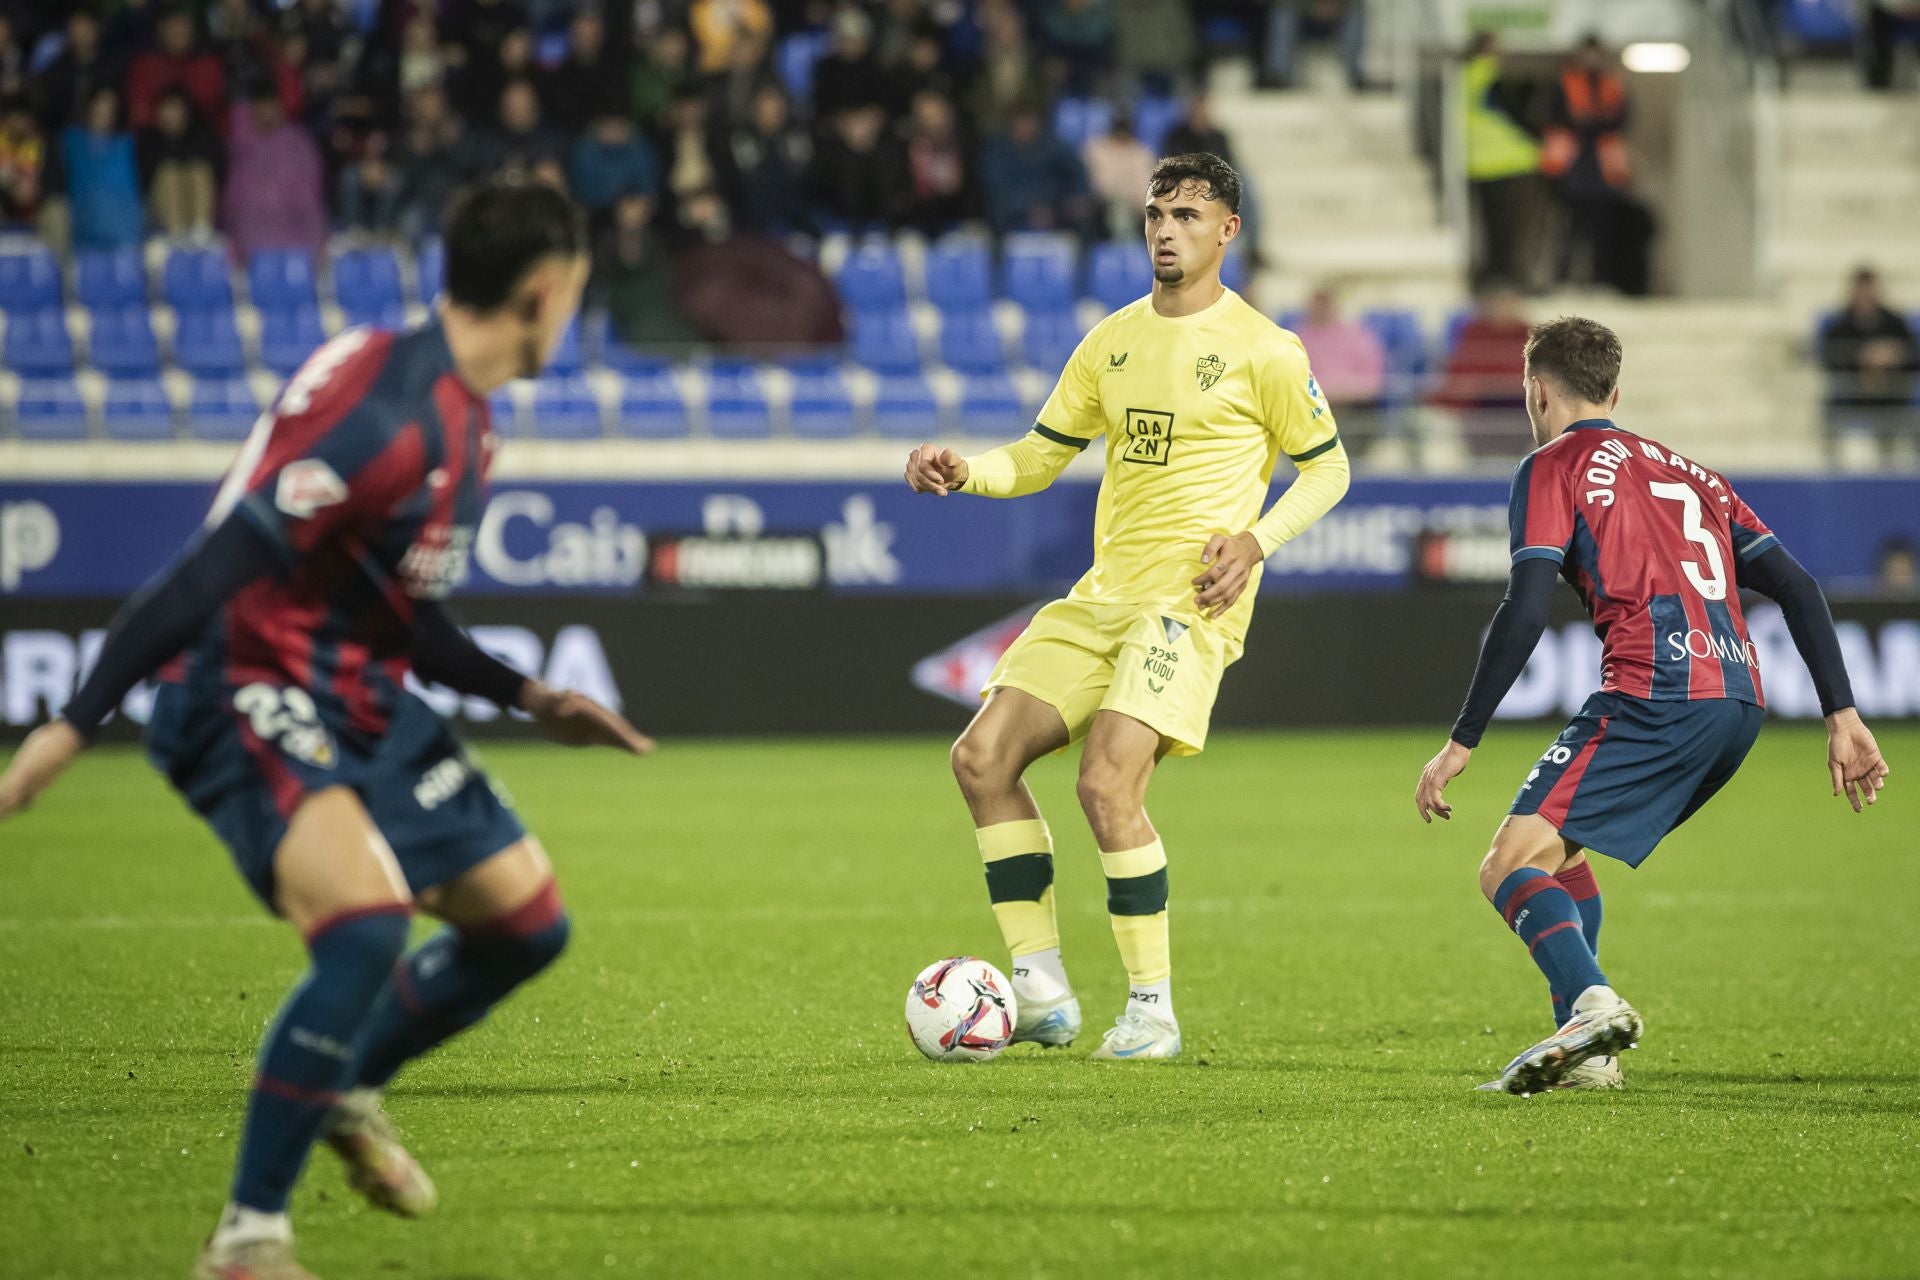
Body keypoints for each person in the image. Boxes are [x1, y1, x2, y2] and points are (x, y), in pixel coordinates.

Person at [0, 177, 651, 1280]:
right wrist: (74, 721)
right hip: (242, 679)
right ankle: (249, 1235)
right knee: (363, 929)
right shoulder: (383, 415)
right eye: (578, 292)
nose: (575, 311)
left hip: (359, 690)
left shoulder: (463, 416)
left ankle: (348, 1085)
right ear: (545, 292)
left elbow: (403, 612)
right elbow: (217, 562)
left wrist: (528, 694)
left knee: (525, 923)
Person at [903, 153, 1350, 1061]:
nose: (1164, 230)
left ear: (1228, 230)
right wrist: (966, 469)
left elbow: (1330, 467)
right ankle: (1041, 990)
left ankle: (1152, 1010)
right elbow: (1038, 454)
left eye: (1187, 214)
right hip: (1100, 599)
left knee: (1106, 782)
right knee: (981, 758)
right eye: (1154, 213)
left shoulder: (1266, 349)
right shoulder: (1110, 340)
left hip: (1185, 608)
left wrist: (1256, 540)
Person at [1414, 316, 1890, 1096]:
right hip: (1738, 702)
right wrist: (1842, 714)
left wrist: (1462, 738)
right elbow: (1800, 589)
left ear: (1536, 390)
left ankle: (1592, 1006)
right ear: (1614, 391)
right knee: (1561, 854)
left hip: (1653, 689)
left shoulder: (1551, 465)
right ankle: (1590, 1058)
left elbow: (1525, 609)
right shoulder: (1695, 475)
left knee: (1504, 865)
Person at [1462, 32, 1540, 291]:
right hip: (1507, 161)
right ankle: (1505, 276)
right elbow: (1514, 116)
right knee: (1507, 228)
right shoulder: (1493, 78)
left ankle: (1493, 274)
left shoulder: (1464, 77)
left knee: (1489, 226)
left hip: (1478, 161)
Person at [1820, 266, 1919, 454]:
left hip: (1893, 395)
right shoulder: (1840, 326)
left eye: (1869, 288)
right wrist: (1862, 357)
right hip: (1852, 394)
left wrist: (1893, 355)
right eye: (1861, 289)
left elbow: (1913, 355)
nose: (1865, 295)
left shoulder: (1895, 323)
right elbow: (1829, 358)